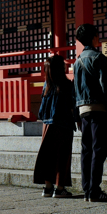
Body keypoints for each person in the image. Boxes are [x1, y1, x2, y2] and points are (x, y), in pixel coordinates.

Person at [73, 23, 107, 202]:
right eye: (97, 35)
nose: (98, 38)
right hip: (99, 110)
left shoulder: (77, 61)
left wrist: (77, 115)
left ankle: (87, 190)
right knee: (99, 150)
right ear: (93, 38)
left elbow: (74, 90)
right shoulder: (98, 58)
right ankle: (94, 190)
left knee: (86, 150)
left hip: (83, 111)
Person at [33, 54, 77, 198]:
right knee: (62, 156)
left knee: (48, 155)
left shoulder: (47, 85)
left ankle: (47, 187)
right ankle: (59, 188)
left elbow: (41, 110)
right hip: (63, 125)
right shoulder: (67, 84)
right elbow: (71, 107)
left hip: (47, 124)